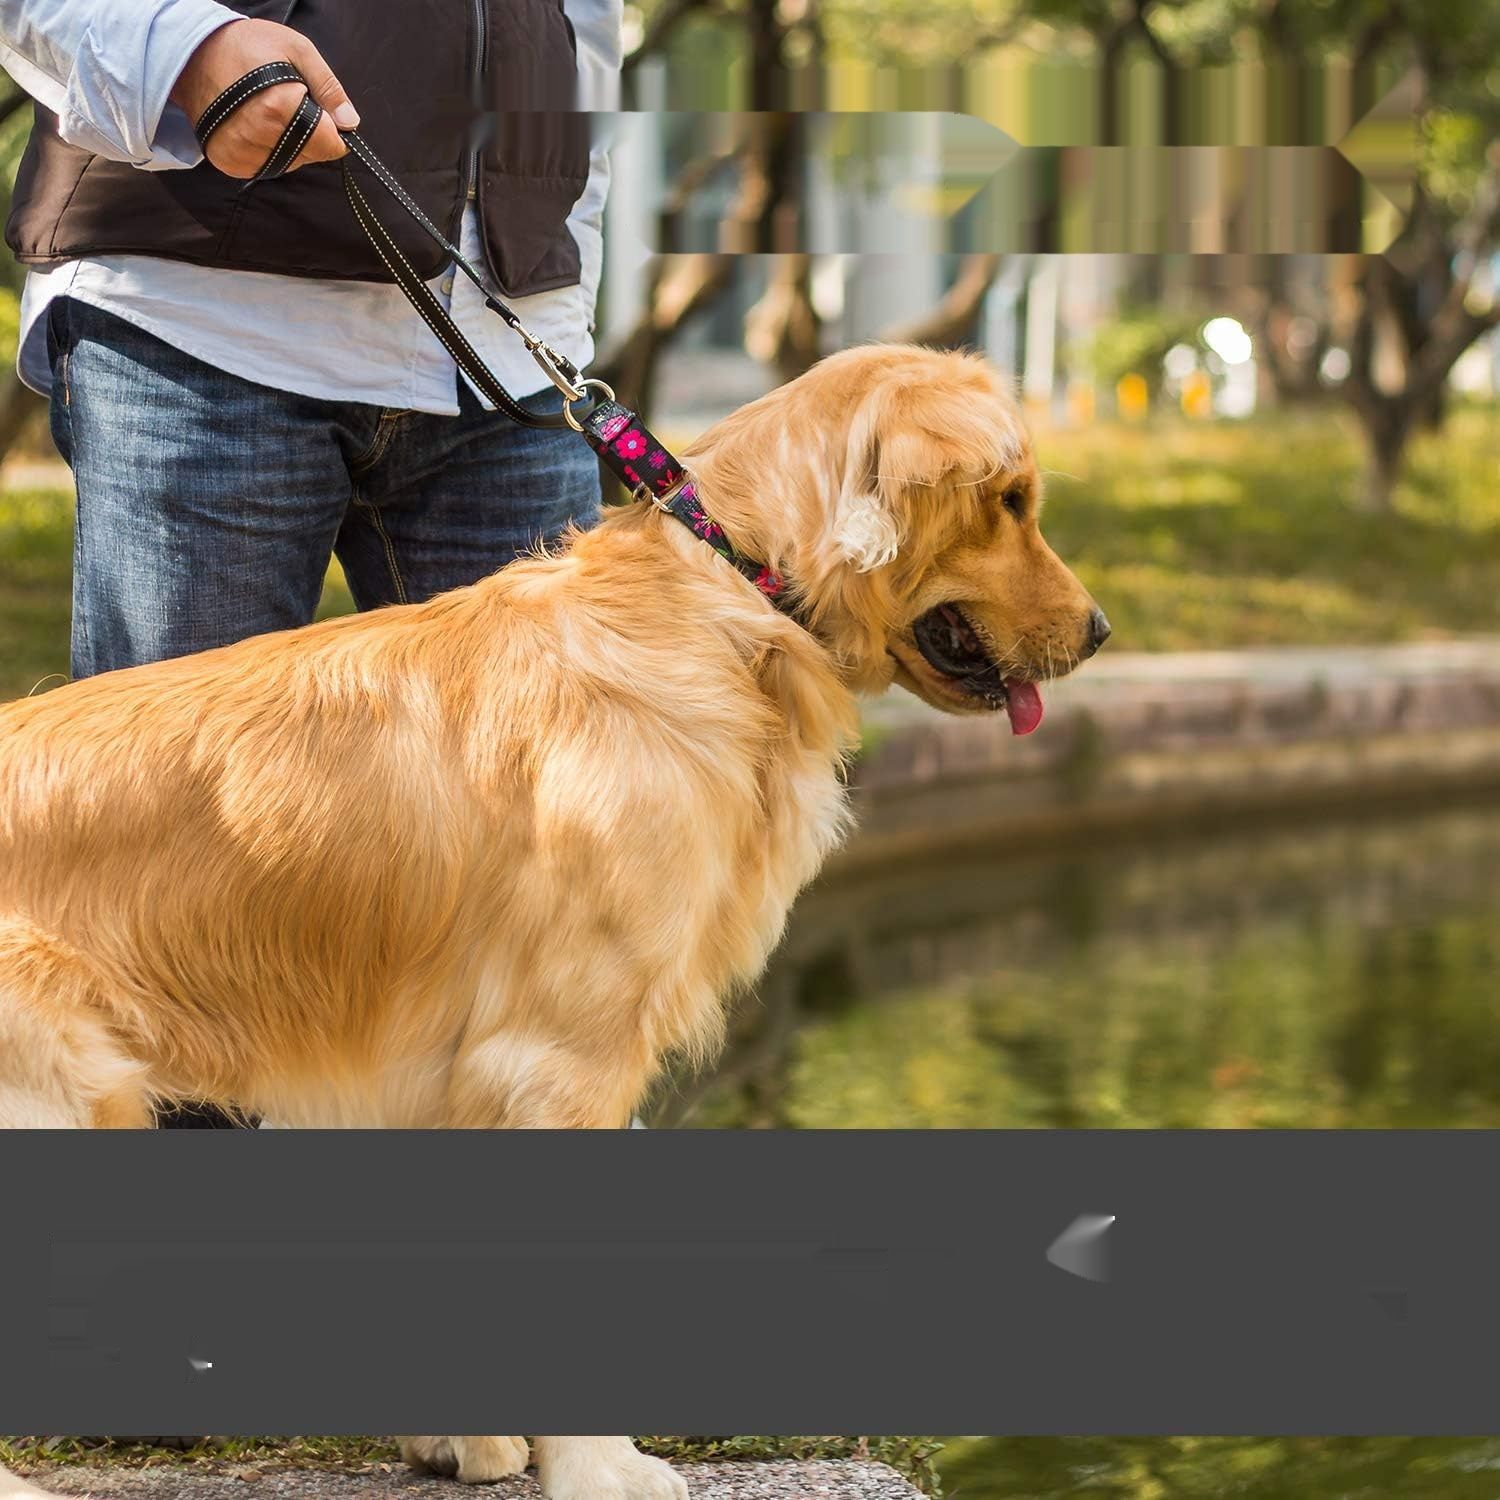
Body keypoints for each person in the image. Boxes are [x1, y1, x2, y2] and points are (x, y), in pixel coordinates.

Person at [0, 0, 621, 1127]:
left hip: (508, 363)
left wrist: (562, 274)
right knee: (158, 960)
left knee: (570, 956)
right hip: (201, 329)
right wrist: (182, 51)